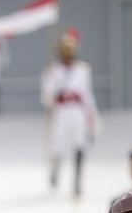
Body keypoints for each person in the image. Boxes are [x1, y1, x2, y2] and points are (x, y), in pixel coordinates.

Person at [40, 28, 99, 197]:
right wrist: (56, 86)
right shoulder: (52, 71)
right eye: (65, 52)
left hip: (77, 113)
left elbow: (87, 95)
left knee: (79, 145)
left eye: (70, 52)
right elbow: (46, 97)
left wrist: (91, 118)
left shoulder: (83, 70)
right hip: (61, 112)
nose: (68, 55)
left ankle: (77, 182)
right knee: (57, 145)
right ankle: (55, 173)